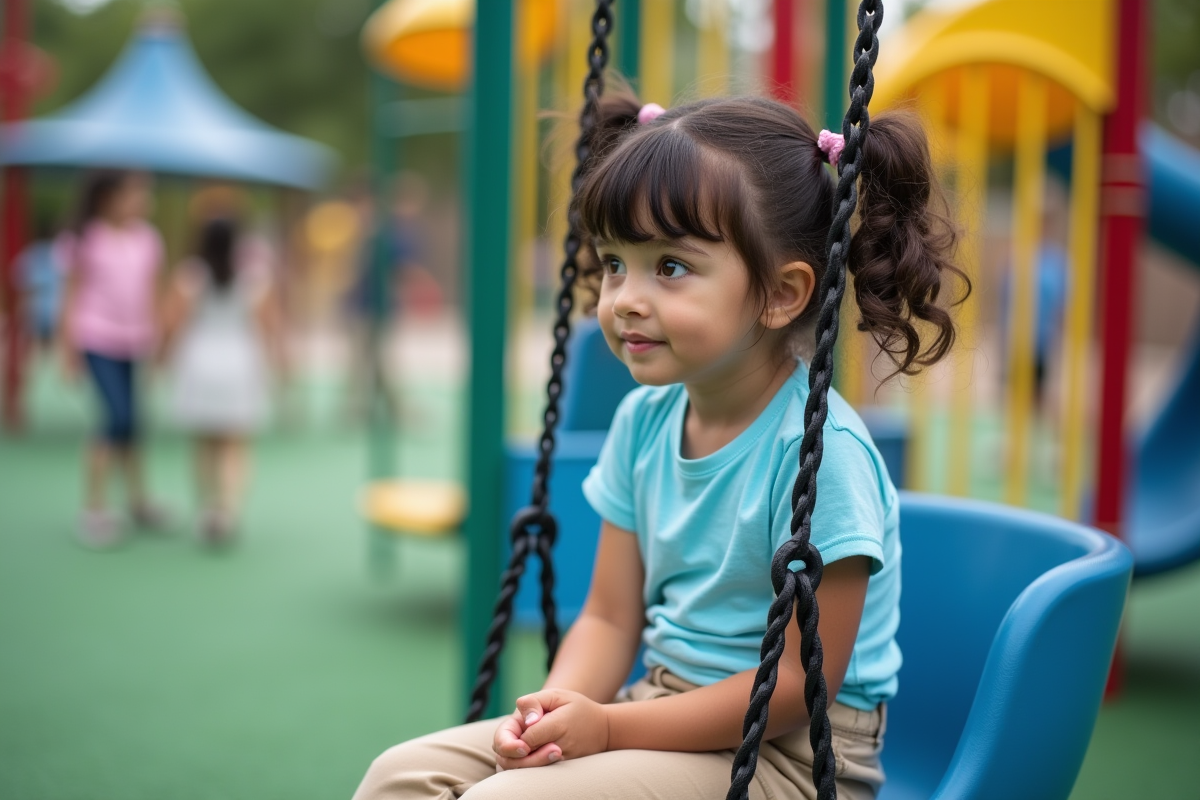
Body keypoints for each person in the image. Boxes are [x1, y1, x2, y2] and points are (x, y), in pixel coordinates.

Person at [354, 91, 966, 800]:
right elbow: (610, 616)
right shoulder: (643, 423)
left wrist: (609, 730)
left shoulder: (820, 455)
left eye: (669, 267)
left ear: (782, 293)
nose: (623, 299)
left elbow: (802, 686)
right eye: (615, 262)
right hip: (659, 709)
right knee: (400, 776)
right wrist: (554, 712)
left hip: (791, 757)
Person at [59, 171, 170, 548]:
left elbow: (153, 293)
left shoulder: (147, 239)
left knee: (134, 422)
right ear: (109, 198)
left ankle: (138, 501)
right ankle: (93, 508)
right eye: (135, 194)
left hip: (134, 340)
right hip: (97, 338)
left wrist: (158, 343)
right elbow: (71, 295)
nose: (143, 201)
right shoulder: (86, 238)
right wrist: (67, 347)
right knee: (114, 418)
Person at [160, 217, 285, 544]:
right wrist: (279, 363)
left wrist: (160, 358)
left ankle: (206, 510)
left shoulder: (189, 275)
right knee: (235, 444)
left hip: (199, 361)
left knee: (204, 443)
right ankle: (228, 511)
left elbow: (171, 324)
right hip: (239, 362)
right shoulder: (256, 278)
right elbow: (270, 326)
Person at [17, 212, 64, 351]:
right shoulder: (60, 253)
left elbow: (24, 286)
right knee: (54, 353)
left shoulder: (30, 253)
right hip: (56, 311)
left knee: (35, 353)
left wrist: (21, 311)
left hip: (35, 312)